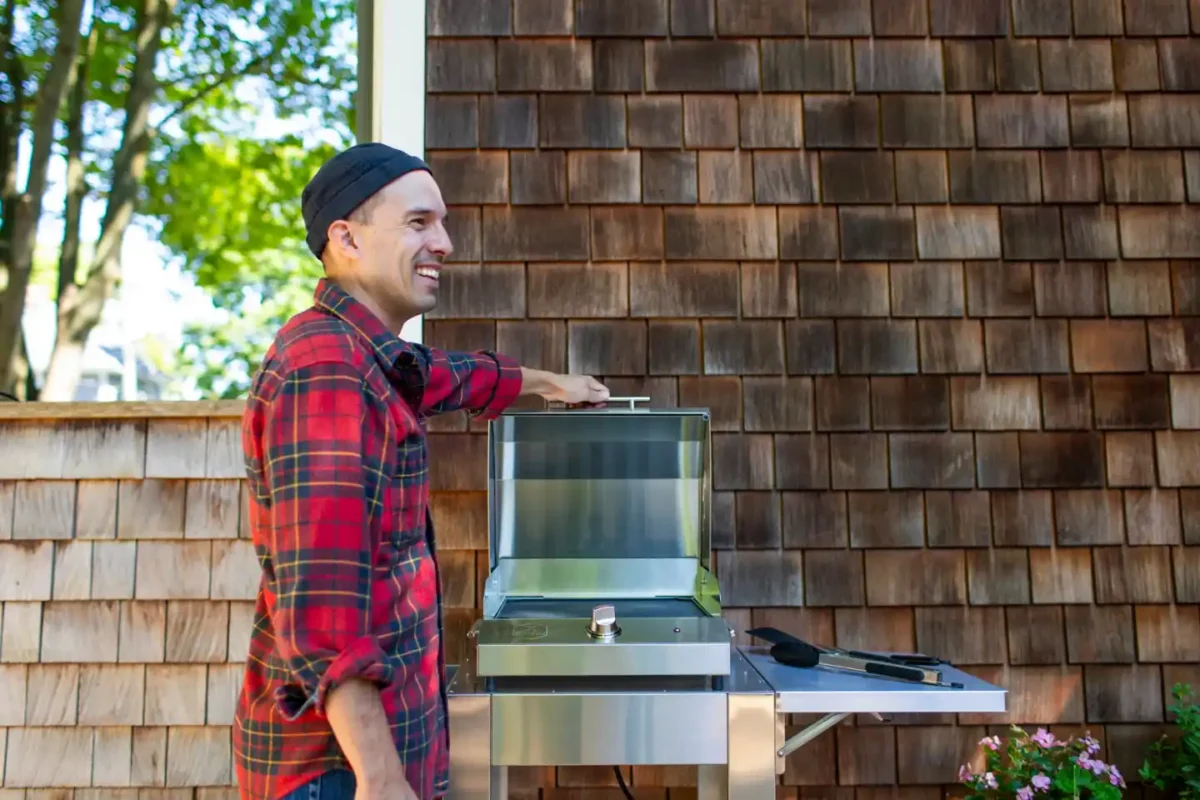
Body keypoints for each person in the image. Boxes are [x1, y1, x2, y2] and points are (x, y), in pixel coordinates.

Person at [233, 142, 610, 800]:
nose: (446, 242)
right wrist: (381, 779)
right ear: (346, 238)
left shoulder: (370, 359)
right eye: (418, 223)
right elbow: (323, 602)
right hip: (340, 773)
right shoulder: (325, 369)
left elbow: (442, 376)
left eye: (441, 222)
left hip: (371, 760)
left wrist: (548, 381)